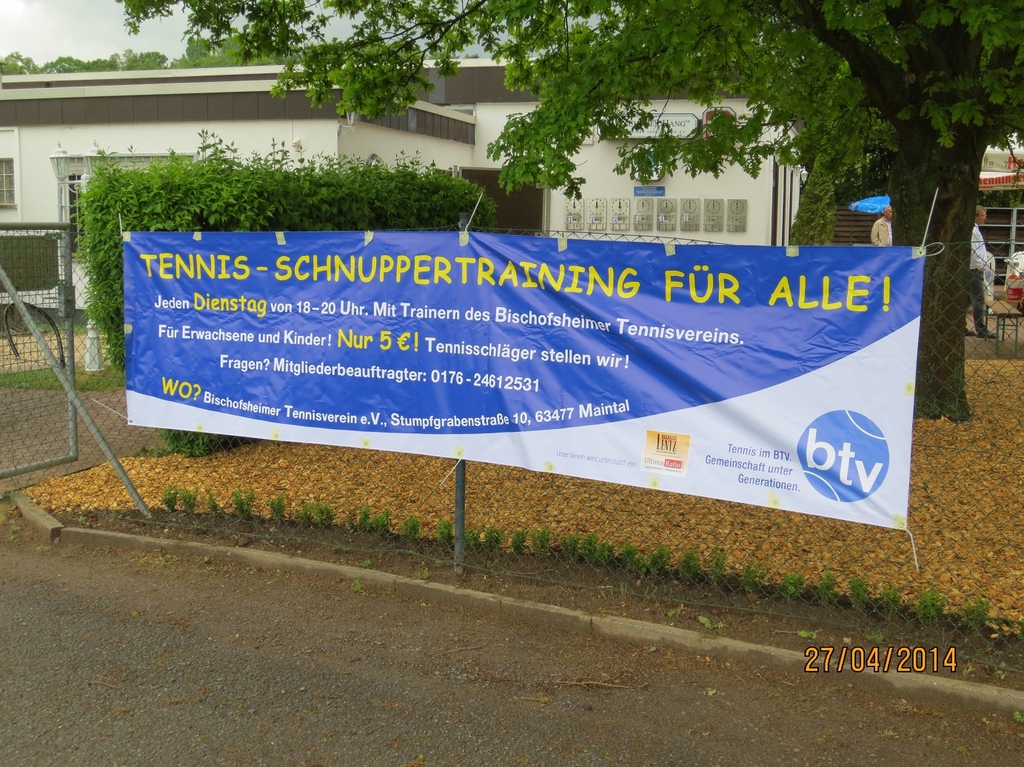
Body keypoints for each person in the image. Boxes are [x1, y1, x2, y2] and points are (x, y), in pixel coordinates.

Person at [968, 206, 997, 339]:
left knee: (967, 299)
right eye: (982, 215)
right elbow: (974, 250)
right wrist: (980, 265)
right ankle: (980, 328)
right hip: (974, 269)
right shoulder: (973, 231)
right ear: (975, 216)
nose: (985, 218)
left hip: (976, 268)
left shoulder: (976, 229)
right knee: (978, 299)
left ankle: (960, 325)